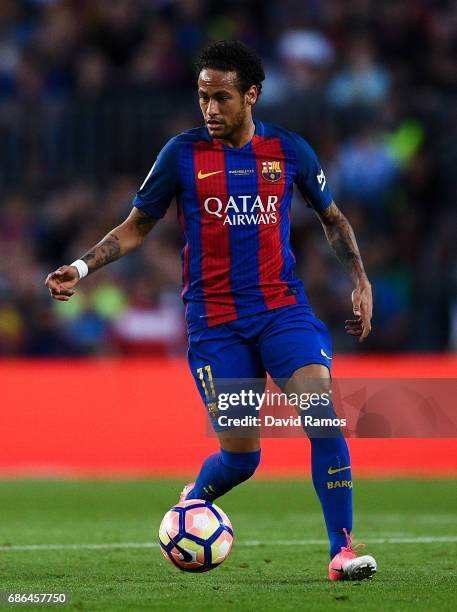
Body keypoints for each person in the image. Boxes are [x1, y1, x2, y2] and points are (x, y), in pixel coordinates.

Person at [45, 40, 376, 581]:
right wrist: (80, 269)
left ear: (251, 95)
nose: (210, 109)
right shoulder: (181, 154)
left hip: (280, 308)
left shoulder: (289, 151)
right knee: (244, 459)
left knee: (320, 413)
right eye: (203, 97)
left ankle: (341, 550)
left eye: (221, 97)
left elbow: (333, 219)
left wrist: (360, 280)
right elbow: (135, 227)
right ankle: (195, 499)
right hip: (216, 323)